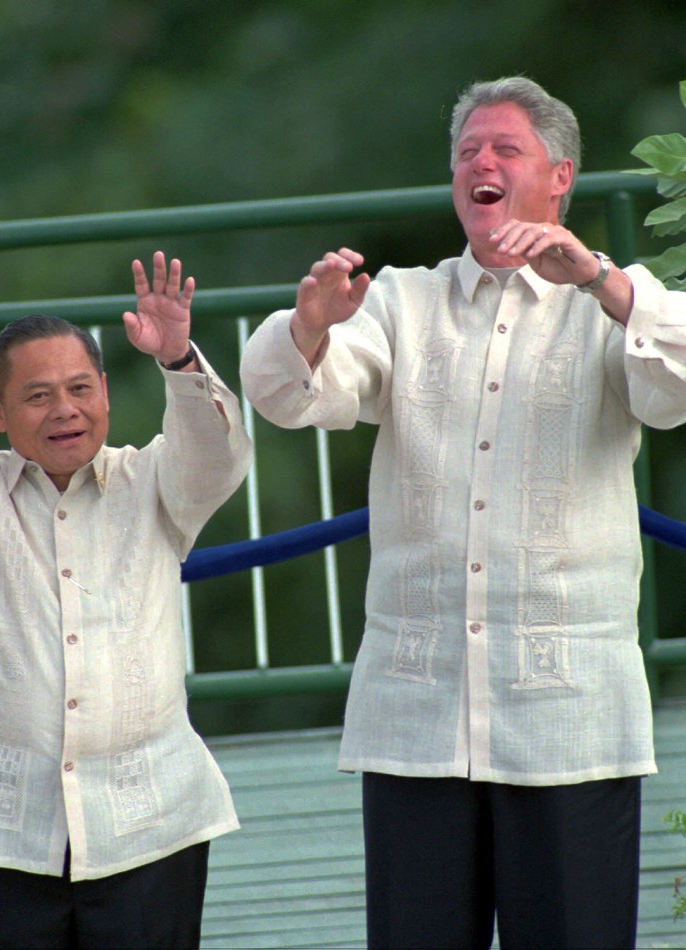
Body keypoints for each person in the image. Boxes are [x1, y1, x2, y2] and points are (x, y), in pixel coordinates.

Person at [240, 77, 686, 949]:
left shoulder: (613, 300)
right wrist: (309, 327)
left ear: (559, 178)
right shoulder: (402, 300)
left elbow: (676, 392)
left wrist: (595, 274)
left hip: (569, 718)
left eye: (505, 149)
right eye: (466, 153)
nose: (480, 163)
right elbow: (293, 397)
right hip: (418, 717)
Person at [0, 221, 252, 949]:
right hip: (5, 825)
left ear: (105, 392)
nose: (65, 409)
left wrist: (177, 359)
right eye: (37, 396)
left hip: (151, 820)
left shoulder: (153, 480)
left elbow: (219, 456)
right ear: (0, 413)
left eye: (80, 388)